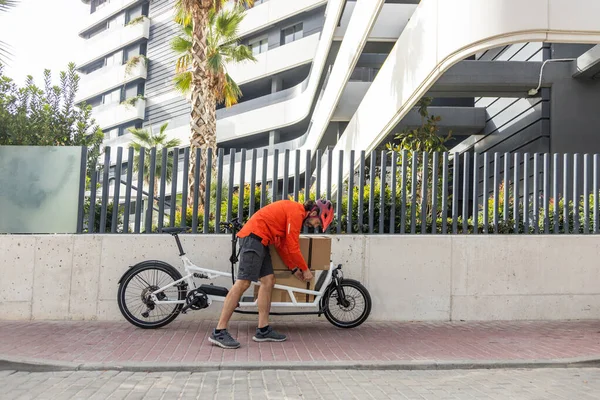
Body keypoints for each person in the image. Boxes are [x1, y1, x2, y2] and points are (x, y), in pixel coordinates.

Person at [208, 198, 334, 349]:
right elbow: (293, 247)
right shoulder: (296, 212)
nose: (315, 226)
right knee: (243, 283)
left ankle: (263, 329)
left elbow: (282, 245)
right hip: (253, 238)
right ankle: (219, 331)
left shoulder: (294, 213)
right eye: (318, 223)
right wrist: (305, 269)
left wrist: (294, 269)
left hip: (261, 242)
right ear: (313, 212)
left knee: (269, 280)